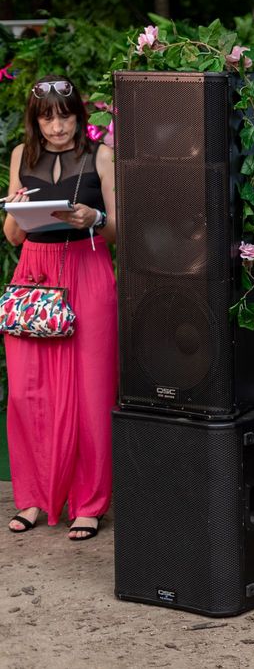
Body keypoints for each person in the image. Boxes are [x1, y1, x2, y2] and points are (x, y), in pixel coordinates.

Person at [4, 75, 118, 540]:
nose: (57, 127)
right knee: (27, 393)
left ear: (78, 116)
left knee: (91, 392)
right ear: (35, 121)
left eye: (65, 116)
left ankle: (88, 503)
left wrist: (95, 217)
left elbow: (120, 231)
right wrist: (15, 210)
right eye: (47, 118)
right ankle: (33, 497)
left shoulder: (101, 156)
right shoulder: (21, 155)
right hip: (34, 275)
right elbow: (13, 237)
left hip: (87, 269)